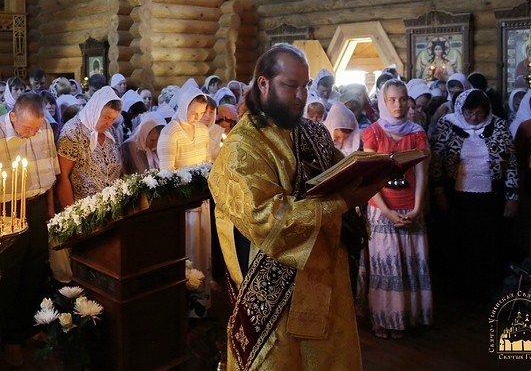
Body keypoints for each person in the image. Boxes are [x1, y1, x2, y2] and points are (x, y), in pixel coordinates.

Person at [209, 44, 378, 370]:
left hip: (325, 280)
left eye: (305, 86)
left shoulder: (313, 132)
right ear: (263, 83)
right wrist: (343, 201)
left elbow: (340, 173)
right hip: (275, 297)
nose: (301, 95)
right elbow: (267, 219)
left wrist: (373, 171)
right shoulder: (241, 148)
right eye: (291, 85)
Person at [0, 92, 59, 367]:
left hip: (37, 205)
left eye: (37, 128)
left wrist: (49, 207)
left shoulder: (44, 127)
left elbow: (51, 170)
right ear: (13, 116)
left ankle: (29, 328)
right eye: (27, 128)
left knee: (35, 267)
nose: (33, 134)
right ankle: (9, 339)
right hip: (7, 209)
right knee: (9, 273)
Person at [358, 79, 431, 340]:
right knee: (385, 267)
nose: (398, 105)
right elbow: (370, 178)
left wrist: (417, 207)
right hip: (382, 208)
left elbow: (421, 173)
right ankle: (383, 319)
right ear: (383, 101)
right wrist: (387, 212)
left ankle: (405, 318)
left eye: (402, 99)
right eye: (392, 100)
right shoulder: (373, 133)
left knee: (408, 264)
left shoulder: (417, 133)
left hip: (410, 205)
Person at [430, 89, 518, 298]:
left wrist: (512, 197)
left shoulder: (499, 125)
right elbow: (436, 162)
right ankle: (460, 289)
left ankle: (485, 287)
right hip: (456, 195)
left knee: (487, 241)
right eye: (470, 113)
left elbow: (511, 164)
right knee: (459, 240)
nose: (475, 117)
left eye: (480, 113)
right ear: (461, 109)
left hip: (490, 196)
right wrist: (438, 191)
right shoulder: (447, 124)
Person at [158, 84, 211, 317]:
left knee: (202, 250)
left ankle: (201, 303)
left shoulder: (203, 131)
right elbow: (166, 174)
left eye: (201, 113)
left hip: (201, 202)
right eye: (194, 112)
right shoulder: (170, 132)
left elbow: (207, 160)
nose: (197, 117)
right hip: (182, 206)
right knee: (187, 251)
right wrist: (187, 187)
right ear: (183, 106)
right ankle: (184, 306)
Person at [57, 87, 123, 203]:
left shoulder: (110, 131)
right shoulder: (72, 132)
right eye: (106, 117)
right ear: (95, 110)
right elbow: (63, 177)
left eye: (113, 119)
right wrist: (71, 211)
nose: (109, 123)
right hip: (84, 208)